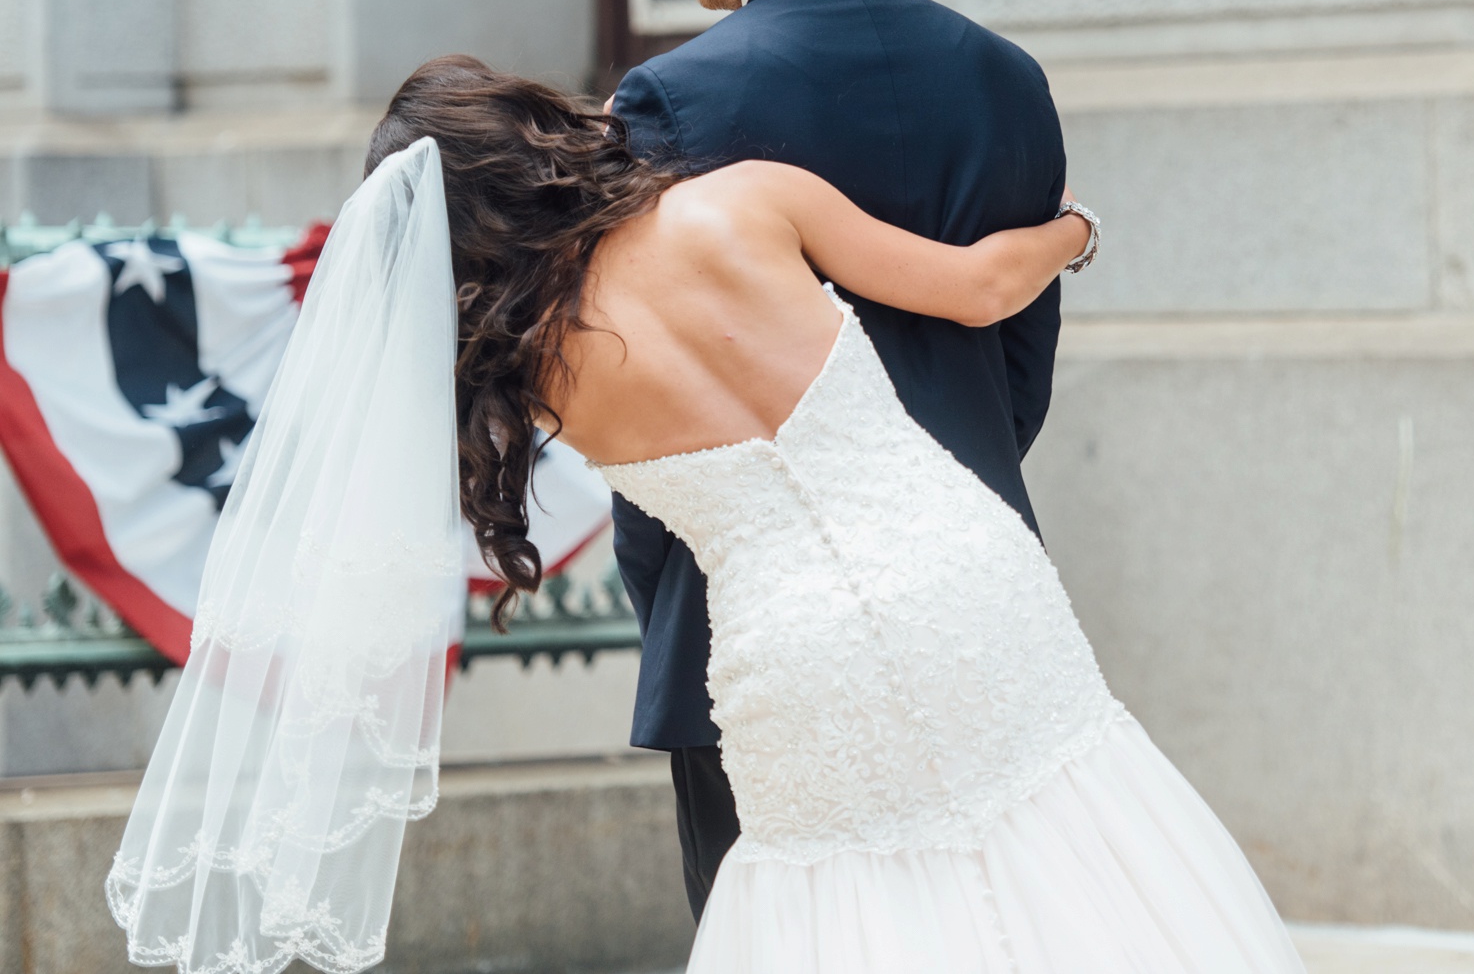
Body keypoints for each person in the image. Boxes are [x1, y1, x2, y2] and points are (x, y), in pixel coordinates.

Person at [109, 58, 1306, 974]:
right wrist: (1078, 232)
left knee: (845, 910)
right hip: (959, 570)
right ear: (536, 129)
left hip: (786, 652)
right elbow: (986, 283)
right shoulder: (748, 201)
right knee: (1074, 836)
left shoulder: (530, 369)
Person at [604, 0, 1070, 919]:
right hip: (981, 591)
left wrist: (666, 592)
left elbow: (646, 390)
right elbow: (1019, 376)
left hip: (752, 622)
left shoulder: (670, 100)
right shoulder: (1005, 76)